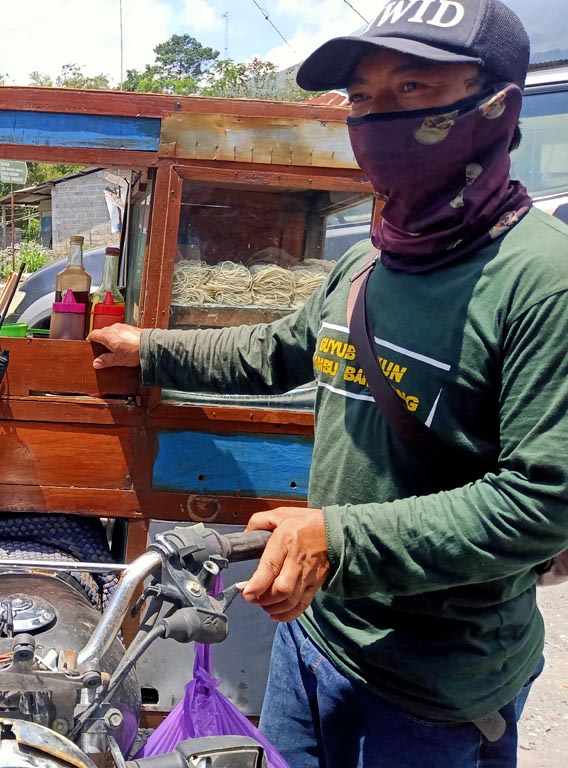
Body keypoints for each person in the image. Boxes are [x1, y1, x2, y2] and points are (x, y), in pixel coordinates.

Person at [89, 1, 568, 765]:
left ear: (496, 108)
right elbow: (279, 350)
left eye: (412, 89)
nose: (378, 117)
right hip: (314, 642)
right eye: (365, 98)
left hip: (433, 688)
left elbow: (544, 503)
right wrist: (152, 348)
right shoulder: (369, 262)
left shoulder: (543, 279)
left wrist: (338, 536)